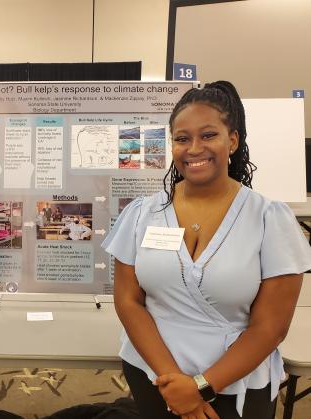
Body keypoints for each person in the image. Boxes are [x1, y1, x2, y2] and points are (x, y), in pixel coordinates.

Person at [102, 81, 311, 419]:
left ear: (232, 140)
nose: (194, 148)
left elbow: (270, 326)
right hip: (154, 375)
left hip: (236, 383)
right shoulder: (142, 214)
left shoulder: (270, 219)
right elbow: (129, 301)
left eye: (208, 135)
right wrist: (173, 384)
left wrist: (200, 387)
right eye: (182, 139)